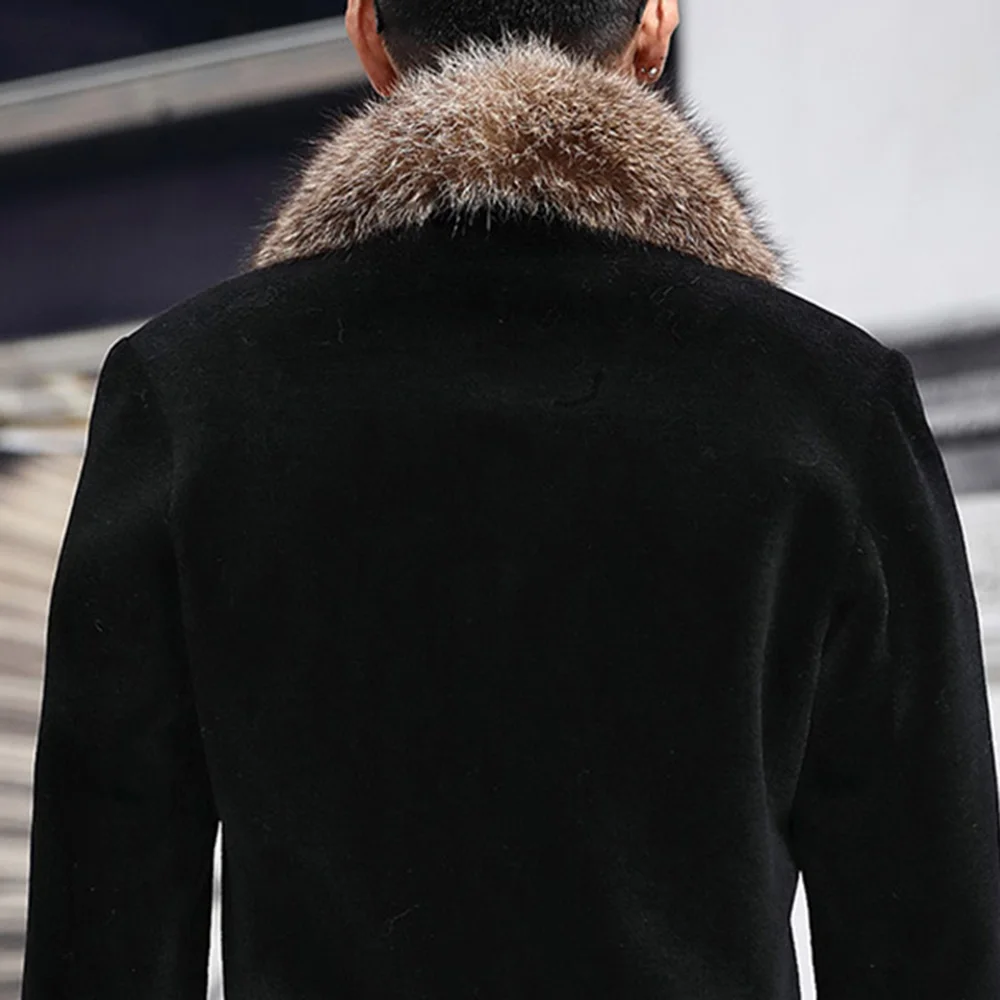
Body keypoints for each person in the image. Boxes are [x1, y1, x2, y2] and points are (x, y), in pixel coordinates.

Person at [20, 0, 1000, 996]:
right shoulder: (829, 403)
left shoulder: (187, 398)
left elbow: (102, 929)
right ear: (655, 25)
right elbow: (931, 936)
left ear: (366, 30)